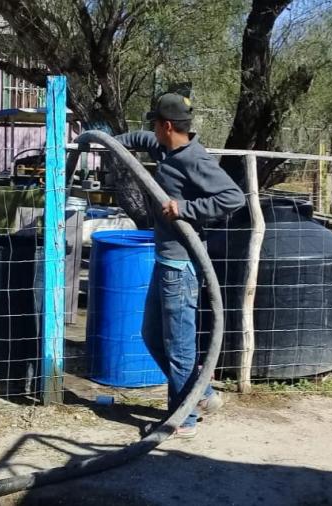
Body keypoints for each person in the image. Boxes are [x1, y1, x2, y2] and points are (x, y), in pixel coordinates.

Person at [116, 93, 245, 438]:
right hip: (165, 260)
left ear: (167, 126)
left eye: (154, 124)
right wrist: (109, 143)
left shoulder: (194, 159)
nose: (151, 130)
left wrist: (185, 208)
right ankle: (201, 393)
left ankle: (182, 421)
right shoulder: (165, 149)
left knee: (179, 346)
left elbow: (233, 197)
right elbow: (141, 140)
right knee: (151, 335)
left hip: (181, 265)